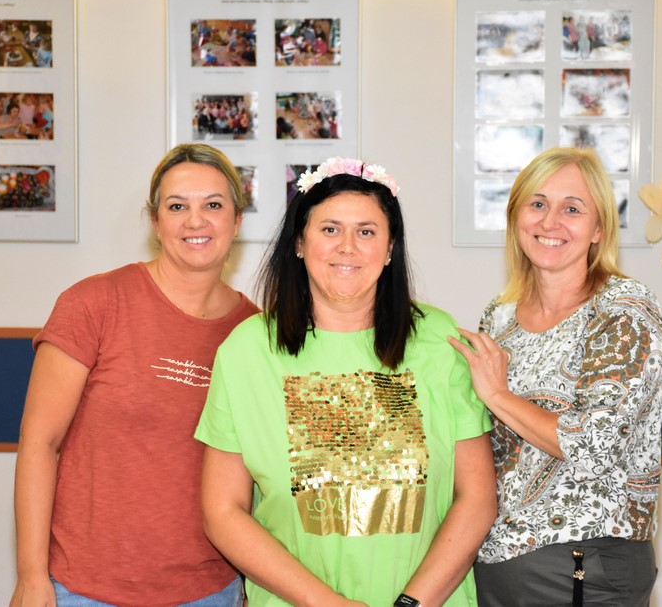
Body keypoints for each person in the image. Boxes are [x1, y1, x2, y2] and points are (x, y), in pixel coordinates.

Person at [196, 156, 497, 607]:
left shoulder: (440, 340)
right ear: (300, 242)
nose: (348, 247)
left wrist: (411, 604)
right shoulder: (246, 351)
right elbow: (223, 512)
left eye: (367, 232)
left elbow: (476, 498)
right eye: (330, 229)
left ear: (390, 248)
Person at [9, 143, 259, 607]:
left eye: (213, 205)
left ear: (237, 221)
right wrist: (31, 575)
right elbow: (39, 441)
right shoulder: (94, 304)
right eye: (177, 206)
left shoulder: (254, 332)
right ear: (155, 222)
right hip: (83, 589)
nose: (196, 221)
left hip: (208, 592)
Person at [447, 147, 662, 607]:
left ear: (598, 229)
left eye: (572, 209)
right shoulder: (499, 317)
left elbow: (594, 445)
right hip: (495, 562)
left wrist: (498, 394)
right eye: (537, 203)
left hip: (586, 564)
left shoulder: (622, 309)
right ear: (516, 217)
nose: (550, 222)